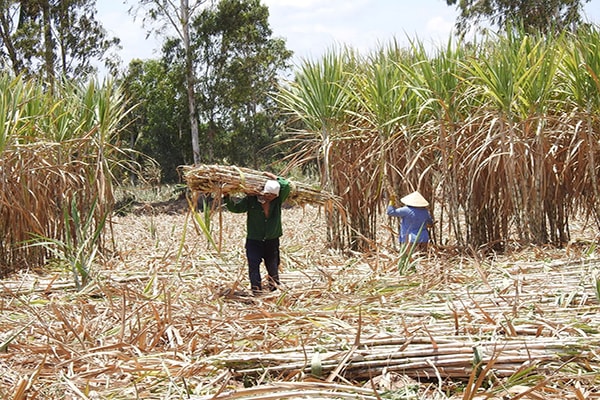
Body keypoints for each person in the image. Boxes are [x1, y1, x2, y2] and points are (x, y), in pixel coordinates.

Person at [225, 172, 291, 295]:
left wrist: (274, 177)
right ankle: (256, 290)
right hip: (254, 240)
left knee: (273, 265)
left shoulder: (277, 201)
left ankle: (274, 288)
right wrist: (226, 196)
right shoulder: (251, 200)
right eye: (268, 194)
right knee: (253, 265)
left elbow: (286, 185)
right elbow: (236, 208)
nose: (270, 197)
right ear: (263, 191)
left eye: (273, 195)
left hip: (272, 239)